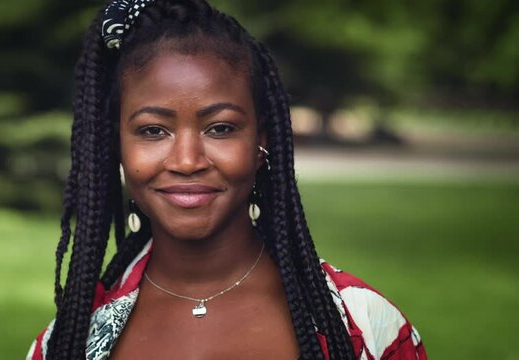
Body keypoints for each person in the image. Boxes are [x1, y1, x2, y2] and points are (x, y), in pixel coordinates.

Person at [27, 0, 427, 359]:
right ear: (116, 145)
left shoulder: (367, 327)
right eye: (153, 130)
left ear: (261, 144)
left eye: (220, 128)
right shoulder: (67, 343)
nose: (187, 161)